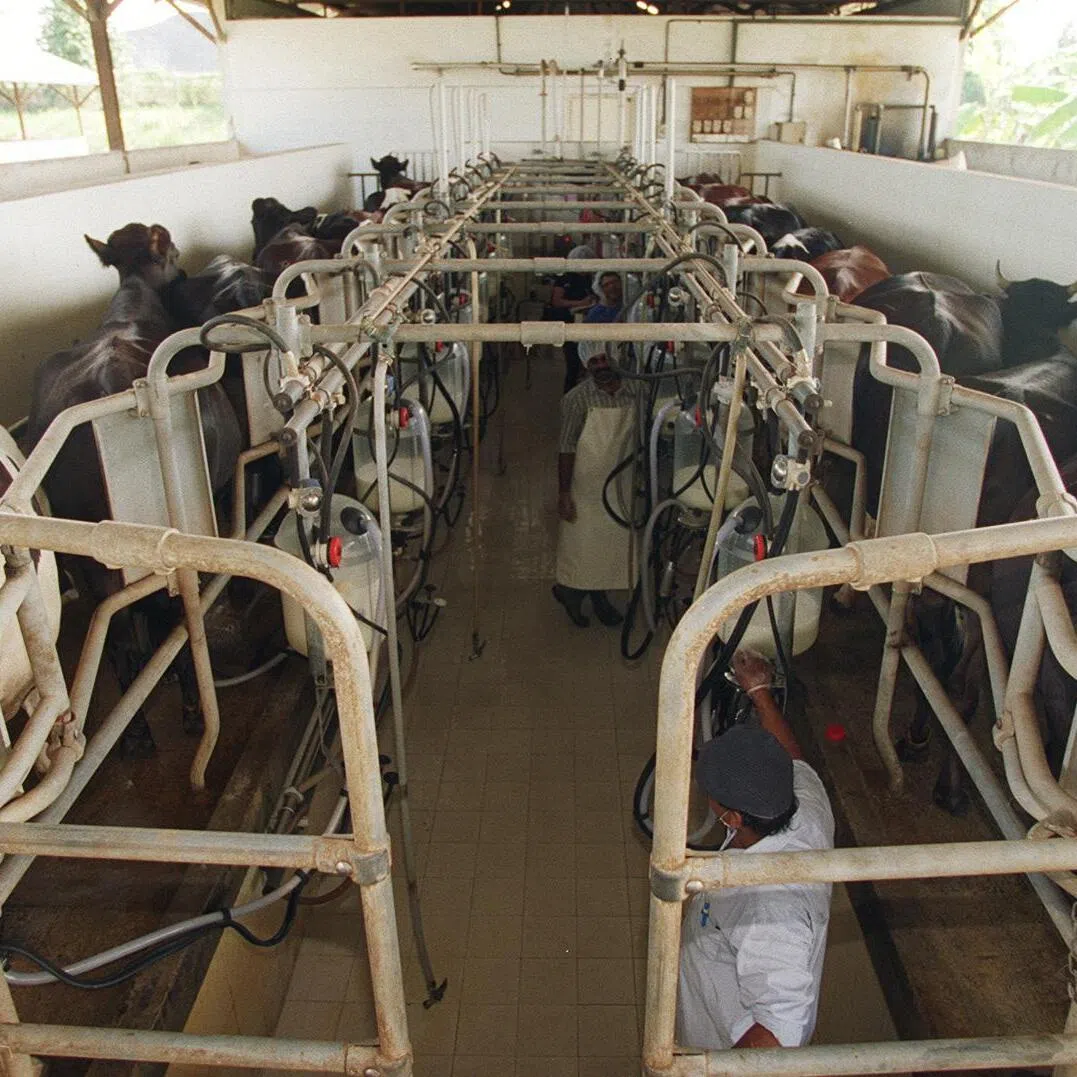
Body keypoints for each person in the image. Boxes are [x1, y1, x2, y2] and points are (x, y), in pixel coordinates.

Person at [677, 649, 835, 1051]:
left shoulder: (768, 905)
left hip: (716, 1045)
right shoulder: (805, 805)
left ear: (731, 818)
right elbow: (794, 756)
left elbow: (781, 1030)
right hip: (713, 980)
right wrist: (760, 691)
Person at [553, 340, 636, 628]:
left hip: (622, 482)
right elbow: (565, 447)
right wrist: (564, 491)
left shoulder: (637, 391)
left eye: (604, 359)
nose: (601, 366)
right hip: (586, 483)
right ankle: (572, 594)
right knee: (583, 545)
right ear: (586, 366)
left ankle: (598, 595)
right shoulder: (576, 400)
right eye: (594, 362)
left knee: (611, 544)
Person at [545, 244, 598, 392]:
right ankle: (569, 395)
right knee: (573, 362)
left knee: (584, 361)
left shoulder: (588, 279)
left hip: (584, 322)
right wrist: (580, 303)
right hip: (567, 324)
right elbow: (557, 301)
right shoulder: (564, 278)